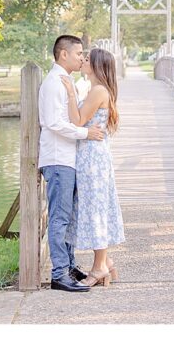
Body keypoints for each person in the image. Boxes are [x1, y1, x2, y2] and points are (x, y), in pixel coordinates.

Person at [38, 35, 105, 292]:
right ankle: (58, 275)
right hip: (57, 160)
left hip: (69, 158)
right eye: (78, 53)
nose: (81, 58)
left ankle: (68, 266)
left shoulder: (68, 82)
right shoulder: (54, 83)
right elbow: (53, 123)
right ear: (63, 54)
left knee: (69, 217)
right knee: (60, 218)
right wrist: (85, 133)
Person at [60, 47, 126, 288]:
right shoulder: (97, 89)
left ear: (97, 65)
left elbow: (77, 120)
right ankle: (106, 262)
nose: (83, 61)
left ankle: (99, 267)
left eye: (87, 59)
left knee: (95, 208)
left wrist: (69, 93)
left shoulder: (98, 90)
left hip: (92, 159)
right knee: (97, 205)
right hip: (94, 155)